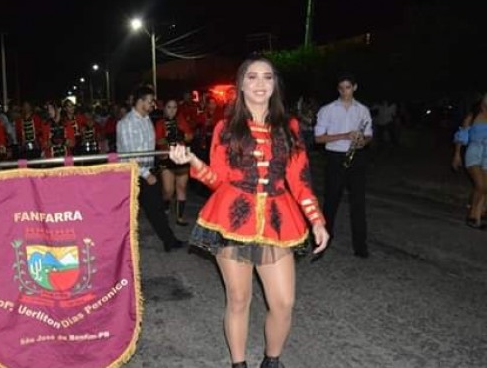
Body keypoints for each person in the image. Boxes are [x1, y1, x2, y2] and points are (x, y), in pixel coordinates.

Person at [169, 58, 329, 368]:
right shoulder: (226, 128)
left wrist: (317, 220)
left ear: (274, 85)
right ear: (241, 85)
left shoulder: (290, 127)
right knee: (239, 299)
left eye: (267, 77)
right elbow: (217, 179)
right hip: (232, 219)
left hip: (278, 220)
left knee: (283, 302)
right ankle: (238, 364)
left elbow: (301, 180)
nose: (259, 83)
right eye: (252, 77)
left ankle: (271, 361)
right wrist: (192, 162)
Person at [117, 86, 186, 252]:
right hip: (132, 174)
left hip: (148, 171)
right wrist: (146, 174)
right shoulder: (125, 123)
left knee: (156, 209)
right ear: (140, 102)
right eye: (150, 101)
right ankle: (117, 249)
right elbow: (129, 154)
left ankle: (168, 240)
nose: (152, 105)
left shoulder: (147, 119)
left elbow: (150, 148)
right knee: (125, 213)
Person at [315, 74, 373, 258]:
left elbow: (369, 133)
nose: (344, 91)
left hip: (357, 157)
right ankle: (323, 242)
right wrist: (344, 135)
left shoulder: (363, 110)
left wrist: (363, 141)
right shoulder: (327, 110)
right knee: (331, 202)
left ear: (354, 87)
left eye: (348, 87)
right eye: (341, 88)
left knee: (358, 203)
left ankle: (360, 247)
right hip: (335, 158)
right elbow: (318, 138)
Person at [155, 99, 194, 225]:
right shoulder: (160, 123)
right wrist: (167, 138)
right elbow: (157, 142)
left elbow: (190, 136)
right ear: (164, 108)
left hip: (181, 158)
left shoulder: (181, 121)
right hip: (165, 159)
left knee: (181, 187)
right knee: (168, 190)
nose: (172, 110)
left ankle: (180, 218)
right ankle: (165, 205)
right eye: (169, 107)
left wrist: (181, 135)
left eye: (174, 107)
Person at [453, 93, 487, 228]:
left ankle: (480, 216)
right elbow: (461, 137)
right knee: (481, 186)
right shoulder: (472, 117)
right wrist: (456, 155)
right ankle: (472, 215)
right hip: (474, 152)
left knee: (486, 187)